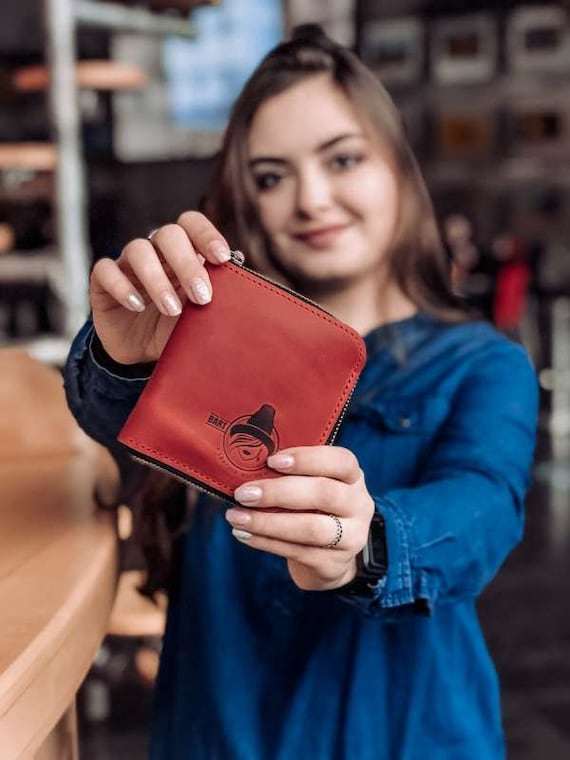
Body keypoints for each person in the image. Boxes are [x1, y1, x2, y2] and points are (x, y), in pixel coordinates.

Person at [64, 26, 538, 760]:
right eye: (271, 175)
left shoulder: (481, 363)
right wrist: (124, 360)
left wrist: (368, 539)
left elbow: (485, 502)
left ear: (397, 170)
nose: (311, 199)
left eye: (342, 158)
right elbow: (113, 428)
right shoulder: (205, 337)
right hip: (214, 728)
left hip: (399, 733)